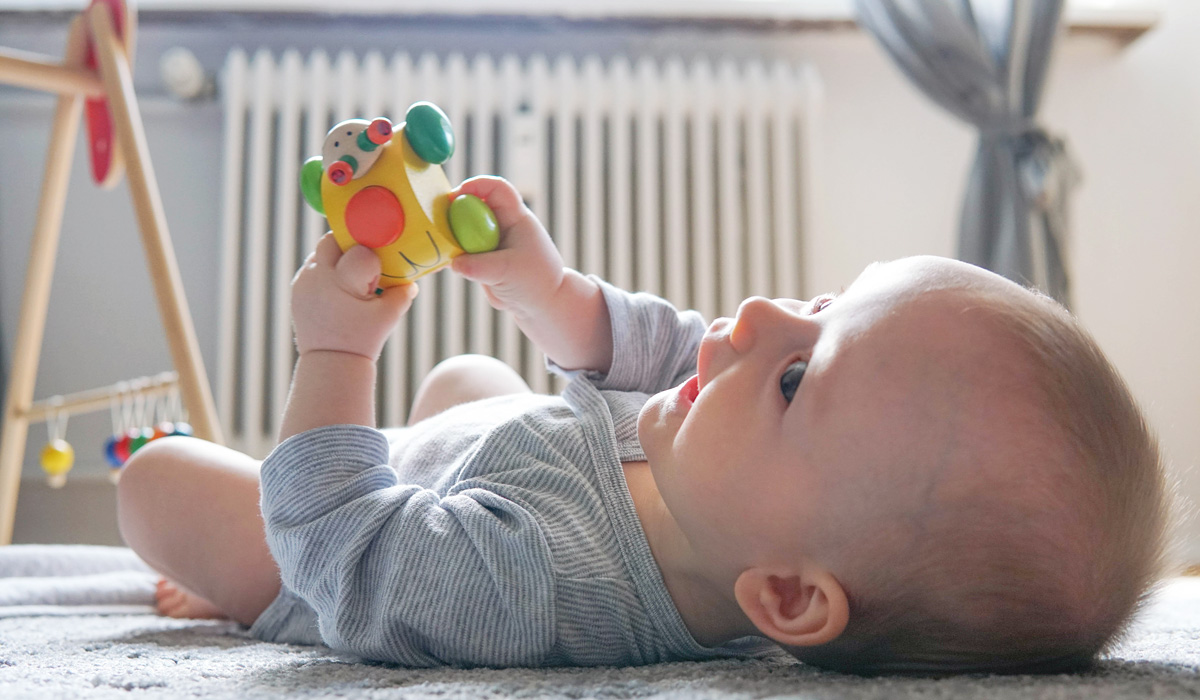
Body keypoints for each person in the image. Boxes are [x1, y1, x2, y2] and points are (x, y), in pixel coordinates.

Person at [117, 176, 1170, 674]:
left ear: (791, 595)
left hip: (349, 536)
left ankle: (239, 580)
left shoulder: (535, 589)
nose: (758, 317)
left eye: (800, 373)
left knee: (156, 480)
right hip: (467, 467)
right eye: (826, 296)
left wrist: (334, 354)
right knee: (470, 370)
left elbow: (350, 541)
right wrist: (545, 286)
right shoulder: (721, 455)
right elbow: (643, 343)